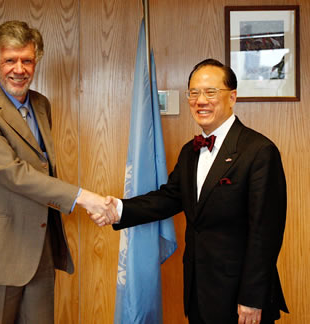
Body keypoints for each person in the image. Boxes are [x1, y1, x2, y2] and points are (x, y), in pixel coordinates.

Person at [97, 59, 288, 324]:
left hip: (241, 299)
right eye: (194, 93)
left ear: (232, 97)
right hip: (198, 292)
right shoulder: (190, 151)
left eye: (211, 92)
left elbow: (265, 235)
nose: (201, 100)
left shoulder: (259, 151)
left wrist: (252, 298)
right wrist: (118, 209)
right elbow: (168, 198)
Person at [0, 20, 116, 324]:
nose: (19, 69)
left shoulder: (41, 104)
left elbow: (41, 166)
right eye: (10, 60)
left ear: (36, 61)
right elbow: (13, 173)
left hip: (39, 249)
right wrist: (85, 198)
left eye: (27, 60)